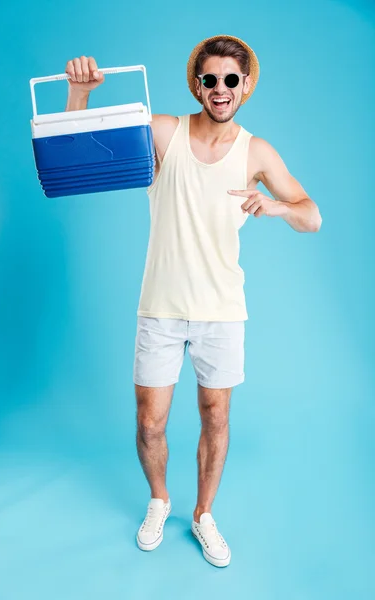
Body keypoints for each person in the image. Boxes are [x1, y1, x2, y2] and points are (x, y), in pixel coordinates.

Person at [64, 34, 322, 568]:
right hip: (160, 305)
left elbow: (311, 215)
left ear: (245, 86)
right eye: (211, 79)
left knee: (216, 417)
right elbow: (82, 149)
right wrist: (79, 95)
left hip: (222, 311)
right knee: (149, 423)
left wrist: (275, 207)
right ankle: (160, 500)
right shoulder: (164, 132)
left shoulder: (257, 151)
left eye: (232, 79)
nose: (221, 88)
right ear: (197, 84)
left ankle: (204, 514)